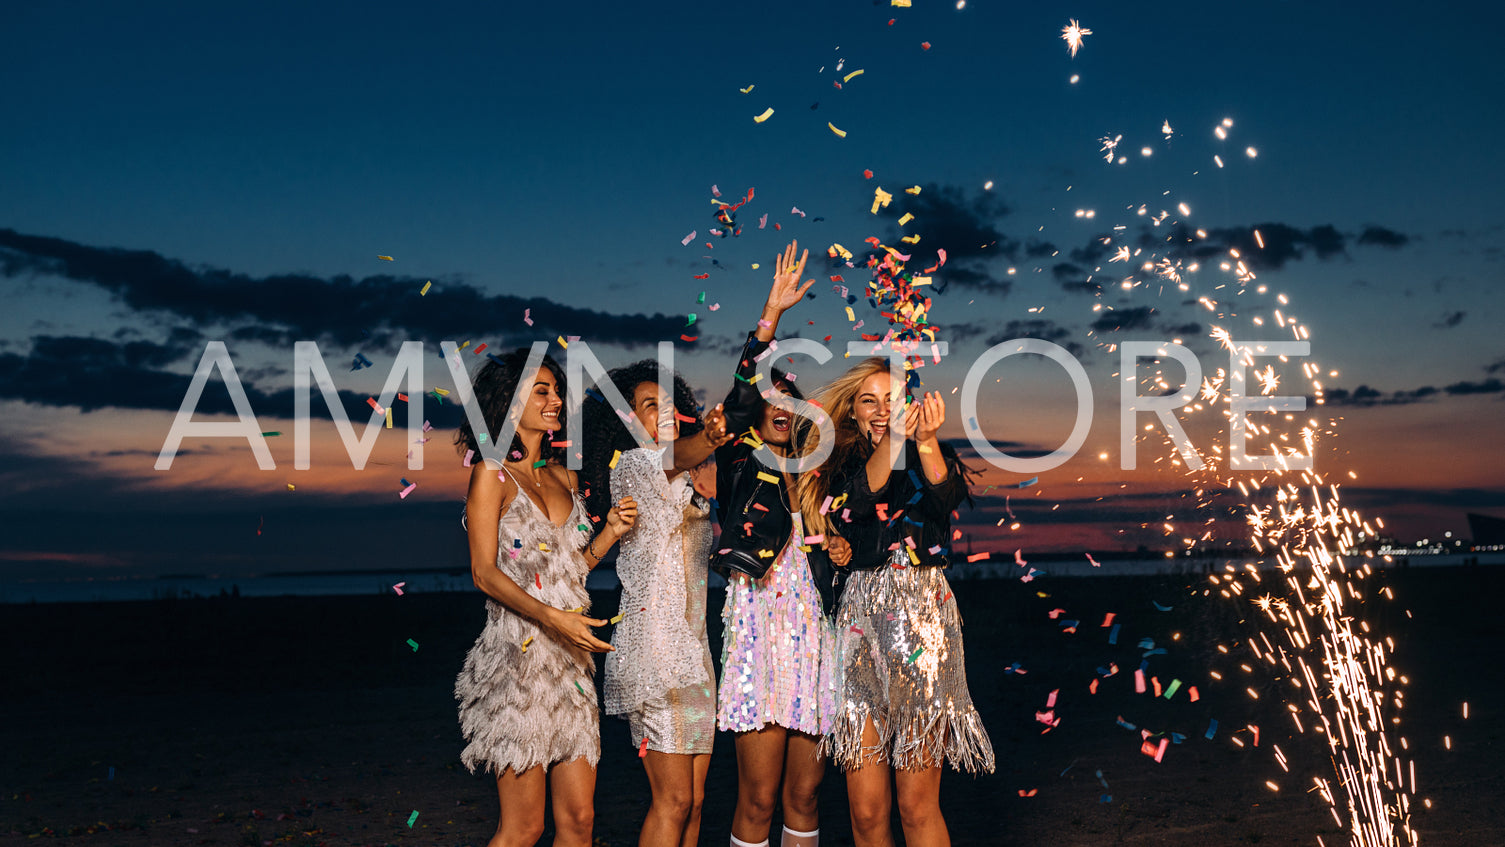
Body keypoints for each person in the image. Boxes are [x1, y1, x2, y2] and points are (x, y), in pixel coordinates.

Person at [796, 359, 994, 847]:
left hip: (921, 620)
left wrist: (924, 440)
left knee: (916, 805)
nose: (884, 410)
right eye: (871, 400)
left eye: (893, 399)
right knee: (865, 812)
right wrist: (892, 442)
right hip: (859, 624)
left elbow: (946, 499)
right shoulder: (838, 463)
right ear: (854, 412)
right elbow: (859, 501)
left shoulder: (932, 453)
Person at [453, 348, 639, 847]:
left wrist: (609, 534)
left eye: (557, 390)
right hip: (518, 661)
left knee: (579, 823)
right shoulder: (491, 474)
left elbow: (568, 567)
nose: (556, 399)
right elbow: (483, 573)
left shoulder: (563, 475)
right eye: (542, 391)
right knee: (525, 827)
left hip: (572, 666)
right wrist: (552, 619)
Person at [713, 241, 851, 847]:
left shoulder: (817, 474)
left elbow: (840, 540)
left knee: (804, 794)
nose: (776, 405)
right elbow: (742, 389)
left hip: (814, 637)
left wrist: (840, 547)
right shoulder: (741, 465)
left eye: (785, 396)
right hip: (758, 631)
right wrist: (770, 316)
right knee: (759, 797)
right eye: (765, 399)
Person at [579, 360, 733, 847]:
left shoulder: (689, 482)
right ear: (624, 421)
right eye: (649, 405)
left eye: (667, 403)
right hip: (657, 655)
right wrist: (708, 438)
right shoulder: (632, 468)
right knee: (673, 801)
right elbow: (678, 456)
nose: (662, 410)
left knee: (696, 801)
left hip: (696, 654)